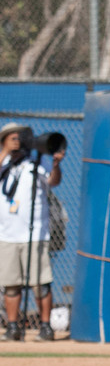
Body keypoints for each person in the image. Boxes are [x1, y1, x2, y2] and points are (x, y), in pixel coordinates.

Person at [0, 123, 64, 342]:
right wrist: (5, 153)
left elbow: (53, 181)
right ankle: (12, 326)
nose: (17, 142)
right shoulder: (4, 164)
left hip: (35, 233)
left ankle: (45, 327)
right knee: (10, 284)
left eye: (20, 138)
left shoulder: (37, 162)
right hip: (7, 234)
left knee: (40, 283)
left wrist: (55, 165)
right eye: (12, 138)